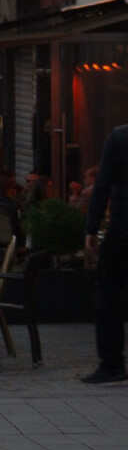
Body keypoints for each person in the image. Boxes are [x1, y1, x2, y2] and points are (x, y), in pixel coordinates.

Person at [82, 126, 128, 383]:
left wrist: (92, 228)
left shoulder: (119, 138)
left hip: (122, 230)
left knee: (108, 293)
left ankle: (112, 362)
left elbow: (102, 186)